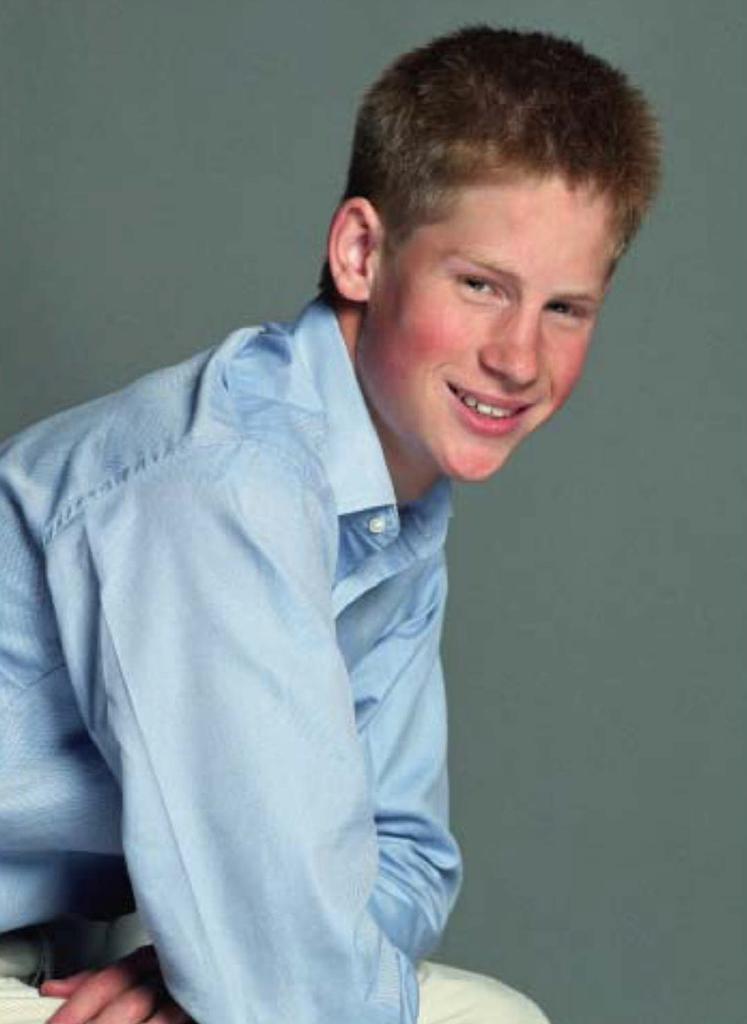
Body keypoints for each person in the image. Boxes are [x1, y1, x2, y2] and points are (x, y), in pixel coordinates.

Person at [0, 24, 660, 1024]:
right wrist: (239, 953)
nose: (519, 357)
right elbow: (288, 973)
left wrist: (205, 962)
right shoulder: (228, 488)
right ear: (360, 252)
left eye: (565, 308)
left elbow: (406, 858)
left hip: (69, 939)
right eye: (481, 285)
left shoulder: (389, 508)